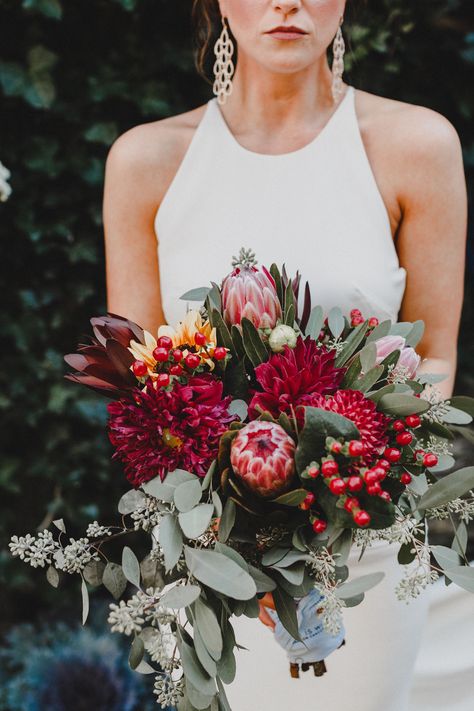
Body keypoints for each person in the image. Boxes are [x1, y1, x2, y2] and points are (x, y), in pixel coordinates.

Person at [102, 1, 468, 709]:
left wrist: (331, 505)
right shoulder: (146, 161)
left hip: (362, 546)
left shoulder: (417, 146)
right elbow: (144, 392)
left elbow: (435, 366)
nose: (286, 2)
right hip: (214, 552)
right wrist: (240, 524)